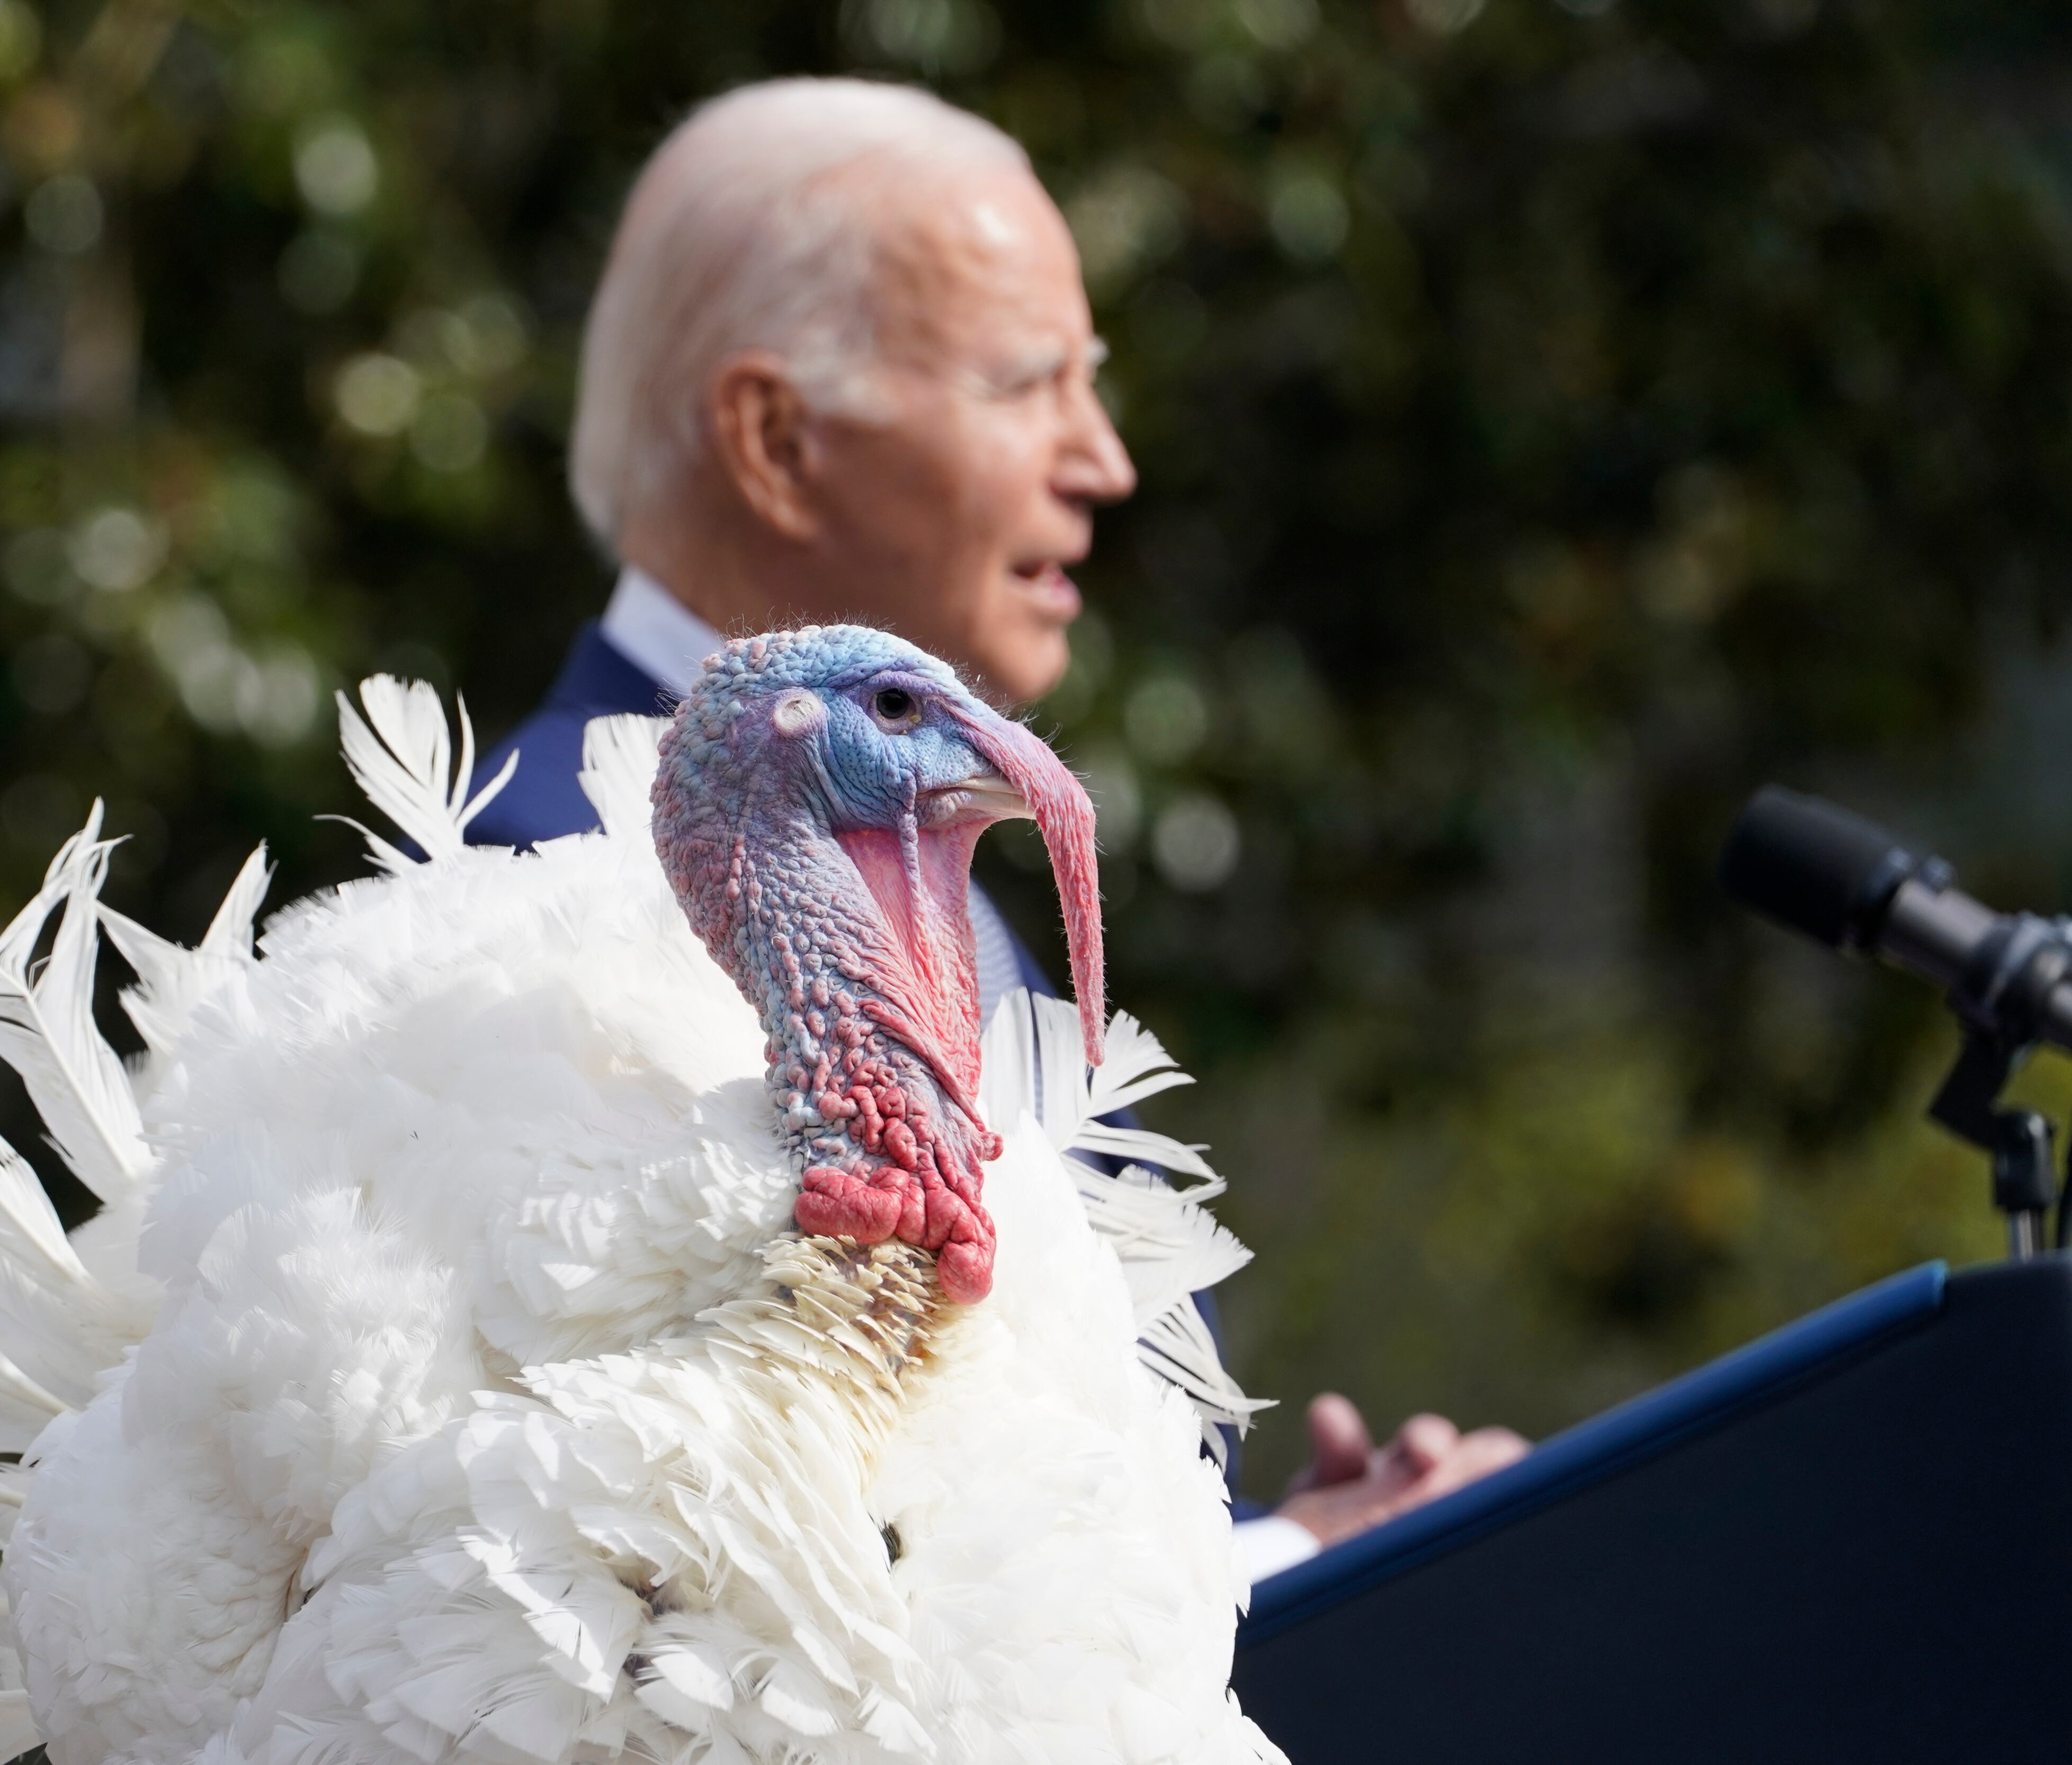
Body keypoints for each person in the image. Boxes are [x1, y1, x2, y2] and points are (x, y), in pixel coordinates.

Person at [465, 77, 1525, 1581]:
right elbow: (699, 1606)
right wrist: (1285, 1571)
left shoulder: (901, 843)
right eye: (1030, 383)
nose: (1105, 461)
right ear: (775, 440)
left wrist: (1298, 1551)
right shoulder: (544, 881)